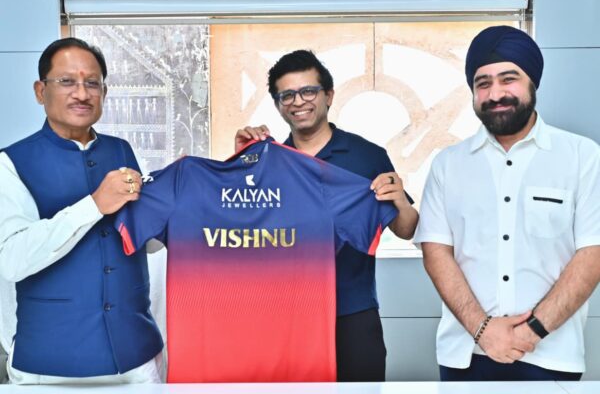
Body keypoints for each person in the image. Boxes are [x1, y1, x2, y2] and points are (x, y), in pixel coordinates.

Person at [413, 25, 600, 381]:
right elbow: (436, 252)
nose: (495, 93)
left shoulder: (583, 157)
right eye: (482, 83)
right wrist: (482, 329)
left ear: (532, 83)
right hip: (464, 354)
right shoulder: (448, 164)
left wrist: (532, 331)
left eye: (508, 79)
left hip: (552, 355)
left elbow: (593, 253)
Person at [235, 49, 419, 381]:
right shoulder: (266, 160)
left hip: (353, 313)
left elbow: (405, 229)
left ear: (328, 96)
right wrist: (242, 159)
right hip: (286, 315)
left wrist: (401, 203)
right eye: (287, 95)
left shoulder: (367, 155)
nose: (298, 101)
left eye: (308, 91)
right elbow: (239, 225)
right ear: (278, 104)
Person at [0, 37, 163, 384]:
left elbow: (142, 239)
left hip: (136, 358)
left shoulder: (123, 150)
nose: (82, 93)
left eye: (92, 83)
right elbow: (11, 259)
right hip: (48, 367)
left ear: (104, 92)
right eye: (67, 81)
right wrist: (94, 205)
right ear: (40, 91)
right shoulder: (10, 163)